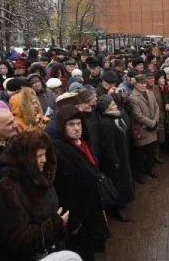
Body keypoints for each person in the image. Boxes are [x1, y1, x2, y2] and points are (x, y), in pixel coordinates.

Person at [0, 130, 69, 260]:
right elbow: (17, 239)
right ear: (25, 158)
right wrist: (55, 225)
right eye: (39, 156)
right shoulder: (8, 188)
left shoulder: (41, 176)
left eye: (45, 154)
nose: (44, 160)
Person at [53, 106, 110, 260]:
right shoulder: (59, 151)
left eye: (78, 124)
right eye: (71, 124)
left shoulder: (83, 143)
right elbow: (64, 190)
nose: (76, 128)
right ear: (62, 126)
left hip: (91, 206)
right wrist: (75, 223)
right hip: (78, 215)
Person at [96, 95, 135, 222]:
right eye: (112, 104)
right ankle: (117, 208)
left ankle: (122, 202)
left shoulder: (116, 117)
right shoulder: (106, 123)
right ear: (106, 109)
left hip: (122, 156)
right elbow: (108, 145)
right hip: (116, 161)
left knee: (124, 181)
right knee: (118, 183)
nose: (115, 105)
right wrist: (115, 161)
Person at [129, 74, 159, 183]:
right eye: (140, 83)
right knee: (140, 154)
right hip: (141, 130)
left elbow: (156, 108)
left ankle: (149, 169)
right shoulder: (132, 97)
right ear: (135, 84)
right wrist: (152, 123)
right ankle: (139, 174)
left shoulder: (150, 93)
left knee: (151, 152)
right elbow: (137, 115)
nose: (143, 85)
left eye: (144, 83)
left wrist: (155, 121)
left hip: (152, 128)